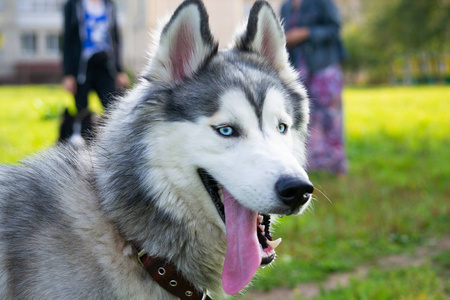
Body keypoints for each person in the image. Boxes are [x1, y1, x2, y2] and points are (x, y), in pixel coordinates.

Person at [281, 0, 347, 175]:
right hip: (297, 69)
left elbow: (334, 30)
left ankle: (337, 166)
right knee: (304, 117)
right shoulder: (286, 6)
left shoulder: (322, 2)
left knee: (331, 117)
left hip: (323, 67)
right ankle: (311, 166)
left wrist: (306, 33)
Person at [62, 0, 130, 112]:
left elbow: (115, 39)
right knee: (82, 111)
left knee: (113, 110)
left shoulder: (109, 5)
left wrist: (119, 70)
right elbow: (68, 40)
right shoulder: (73, 5)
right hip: (82, 68)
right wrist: (68, 73)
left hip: (105, 65)